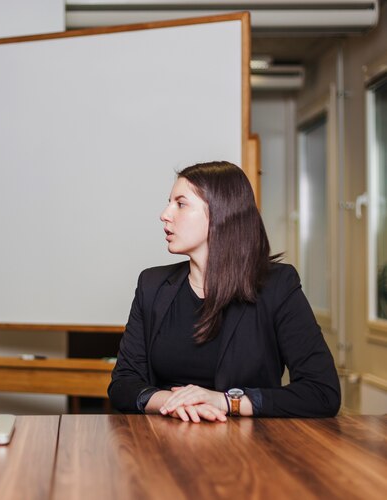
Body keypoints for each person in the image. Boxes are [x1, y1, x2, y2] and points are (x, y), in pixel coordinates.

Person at [108, 161, 340, 421]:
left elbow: (322, 393)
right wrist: (176, 402)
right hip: (164, 442)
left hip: (251, 448)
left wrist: (225, 401)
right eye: (169, 202)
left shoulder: (277, 286)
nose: (165, 214)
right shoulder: (151, 284)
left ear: (220, 214)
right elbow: (123, 385)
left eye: (180, 204)